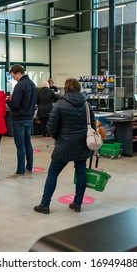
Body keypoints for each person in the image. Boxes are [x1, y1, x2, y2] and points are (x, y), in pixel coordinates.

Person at [34, 78, 95, 214]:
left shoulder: (59, 104)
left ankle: (45, 205)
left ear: (66, 89)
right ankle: (77, 204)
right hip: (82, 145)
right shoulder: (86, 105)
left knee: (53, 173)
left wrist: (57, 137)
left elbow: (51, 126)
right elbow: (93, 125)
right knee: (81, 173)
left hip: (64, 145)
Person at [6, 64, 37, 178]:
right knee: (27, 143)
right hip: (29, 117)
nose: (14, 79)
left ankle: (20, 171)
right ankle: (29, 167)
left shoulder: (20, 86)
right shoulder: (32, 84)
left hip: (19, 119)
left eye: (14, 76)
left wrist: (8, 101)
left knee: (20, 145)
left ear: (18, 73)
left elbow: (14, 105)